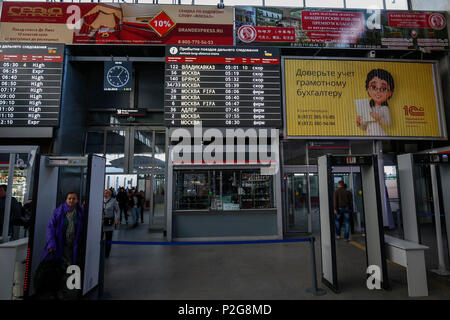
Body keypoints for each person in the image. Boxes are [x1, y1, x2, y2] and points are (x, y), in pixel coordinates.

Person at [41, 192, 84, 299]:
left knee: (72, 267)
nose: (71, 201)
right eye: (69, 198)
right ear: (66, 199)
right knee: (61, 268)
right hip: (59, 246)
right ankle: (60, 292)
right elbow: (50, 227)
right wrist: (51, 243)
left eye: (74, 198)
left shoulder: (80, 212)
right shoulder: (59, 212)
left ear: (77, 200)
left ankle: (71, 293)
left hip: (74, 246)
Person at [356, 69, 394, 136]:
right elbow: (365, 126)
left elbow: (388, 123)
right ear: (368, 89)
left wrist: (378, 118)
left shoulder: (384, 108)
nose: (378, 91)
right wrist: (359, 124)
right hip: (369, 136)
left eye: (383, 89)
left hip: (380, 135)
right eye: (373, 87)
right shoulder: (368, 108)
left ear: (390, 93)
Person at [102, 189, 119, 258]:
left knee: (108, 238)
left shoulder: (113, 201)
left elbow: (117, 210)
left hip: (109, 222)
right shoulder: (100, 199)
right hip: (101, 222)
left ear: (110, 194)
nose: (105, 194)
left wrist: (117, 218)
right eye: (104, 193)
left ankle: (107, 254)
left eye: (107, 193)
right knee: (99, 238)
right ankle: (99, 252)